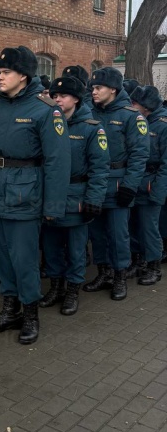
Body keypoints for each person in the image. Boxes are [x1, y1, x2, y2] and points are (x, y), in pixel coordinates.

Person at [0, 46, 70, 344]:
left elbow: (58, 161)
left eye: (5, 73)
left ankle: (30, 314)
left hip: (26, 195)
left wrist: (53, 204)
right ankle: (10, 309)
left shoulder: (45, 111)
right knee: (1, 257)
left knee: (24, 259)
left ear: (23, 76)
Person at [40, 76, 109, 314]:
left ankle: (72, 291)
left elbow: (100, 168)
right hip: (51, 196)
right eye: (55, 95)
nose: (57, 99)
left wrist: (93, 199)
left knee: (76, 249)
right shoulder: (47, 122)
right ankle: (56, 287)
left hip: (77, 196)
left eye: (63, 96)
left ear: (76, 99)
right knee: (51, 247)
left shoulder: (91, 128)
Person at [83, 67, 149, 300]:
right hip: (93, 185)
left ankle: (120, 276)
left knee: (118, 234)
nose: (94, 92)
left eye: (99, 88)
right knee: (97, 233)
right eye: (92, 88)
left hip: (118, 185)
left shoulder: (131, 117)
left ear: (113, 89)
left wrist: (130, 186)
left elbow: (139, 155)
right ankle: (104, 272)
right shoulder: (89, 113)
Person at [127, 85, 167, 285]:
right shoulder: (137, 121)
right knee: (133, 225)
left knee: (150, 228)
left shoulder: (163, 124)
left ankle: (153, 266)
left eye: (135, 103)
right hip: (136, 180)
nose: (131, 106)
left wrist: (158, 191)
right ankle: (138, 261)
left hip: (151, 181)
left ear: (147, 106)